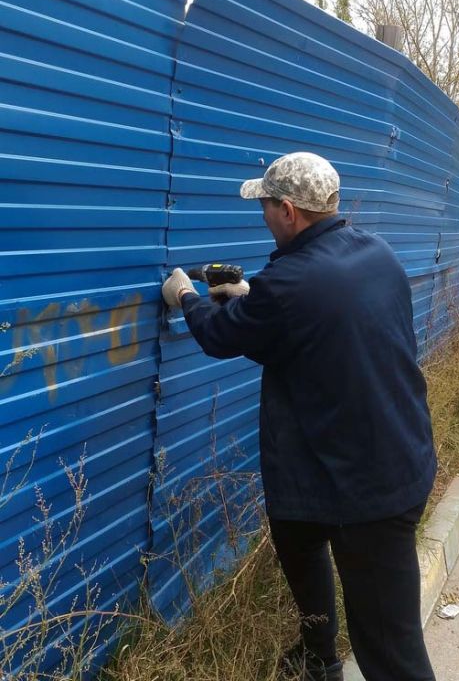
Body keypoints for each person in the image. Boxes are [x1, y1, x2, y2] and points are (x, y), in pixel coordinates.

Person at [162, 152, 437, 681]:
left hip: (372, 494)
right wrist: (249, 297)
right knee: (296, 534)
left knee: (391, 651)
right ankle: (319, 660)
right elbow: (321, 322)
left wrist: (189, 297)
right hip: (369, 459)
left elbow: (222, 336)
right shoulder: (375, 253)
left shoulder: (290, 284)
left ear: (288, 210)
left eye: (265, 206)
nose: (262, 215)